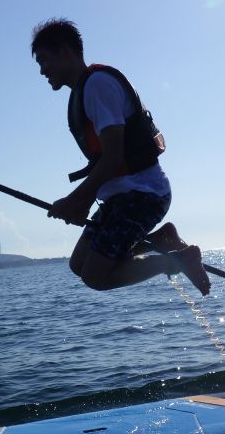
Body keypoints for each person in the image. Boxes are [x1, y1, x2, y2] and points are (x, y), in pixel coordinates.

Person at [31, 18, 211, 296]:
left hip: (143, 196)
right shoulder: (82, 93)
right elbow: (104, 160)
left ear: (66, 52)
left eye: (44, 60)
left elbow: (113, 158)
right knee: (78, 264)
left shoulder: (97, 86)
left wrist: (74, 200)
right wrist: (83, 203)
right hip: (122, 198)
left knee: (95, 276)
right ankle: (163, 238)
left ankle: (176, 260)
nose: (42, 70)